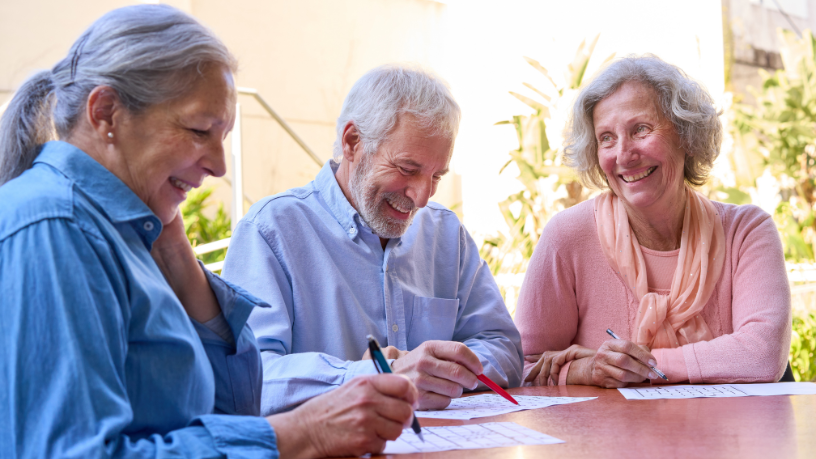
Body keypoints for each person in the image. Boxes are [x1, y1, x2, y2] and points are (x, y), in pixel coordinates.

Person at [0, 5, 418, 458]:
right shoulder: (57, 228)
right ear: (106, 114)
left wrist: (177, 256)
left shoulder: (131, 231)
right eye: (200, 130)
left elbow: (235, 410)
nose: (219, 166)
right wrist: (304, 433)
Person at [222, 64, 523, 415]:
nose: (422, 197)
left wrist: (442, 371)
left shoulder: (444, 232)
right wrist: (377, 376)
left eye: (437, 175)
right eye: (407, 169)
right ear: (353, 143)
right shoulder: (271, 231)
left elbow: (503, 346)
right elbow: (247, 379)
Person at [515, 55, 792, 388]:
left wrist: (637, 366)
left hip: (727, 439)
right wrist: (584, 370)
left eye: (640, 130)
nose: (623, 154)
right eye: (606, 138)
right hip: (608, 440)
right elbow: (522, 367)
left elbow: (761, 355)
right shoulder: (567, 236)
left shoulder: (746, 232)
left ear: (686, 135)